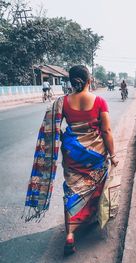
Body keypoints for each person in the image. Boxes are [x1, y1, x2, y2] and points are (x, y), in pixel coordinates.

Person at [24, 65, 118, 256]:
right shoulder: (99, 101)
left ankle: (69, 234)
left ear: (71, 81)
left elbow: (54, 127)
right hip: (96, 154)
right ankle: (91, 218)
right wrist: (113, 155)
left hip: (72, 153)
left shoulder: (63, 102)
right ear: (89, 80)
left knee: (72, 189)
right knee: (94, 185)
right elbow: (107, 131)